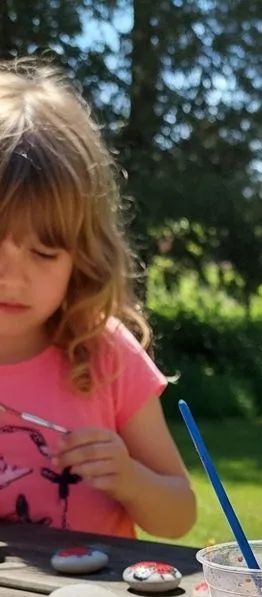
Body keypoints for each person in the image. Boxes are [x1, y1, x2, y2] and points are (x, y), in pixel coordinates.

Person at [0, 60, 196, 538]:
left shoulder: (105, 354)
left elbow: (179, 514)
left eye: (44, 253)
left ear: (84, 258)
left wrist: (130, 479)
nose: (11, 279)